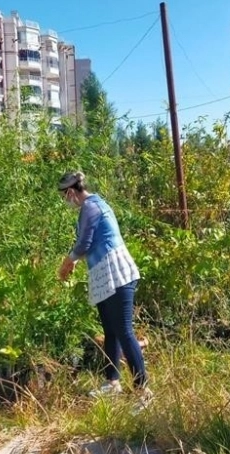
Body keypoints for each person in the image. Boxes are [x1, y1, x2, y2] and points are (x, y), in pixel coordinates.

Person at [56, 172, 151, 407]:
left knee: (124, 332)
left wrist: (67, 263)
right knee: (110, 330)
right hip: (104, 274)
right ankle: (112, 383)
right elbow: (90, 240)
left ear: (70, 192)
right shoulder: (94, 205)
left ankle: (143, 392)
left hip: (116, 272)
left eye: (64, 196)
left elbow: (84, 243)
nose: (65, 201)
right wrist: (76, 260)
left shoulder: (91, 207)